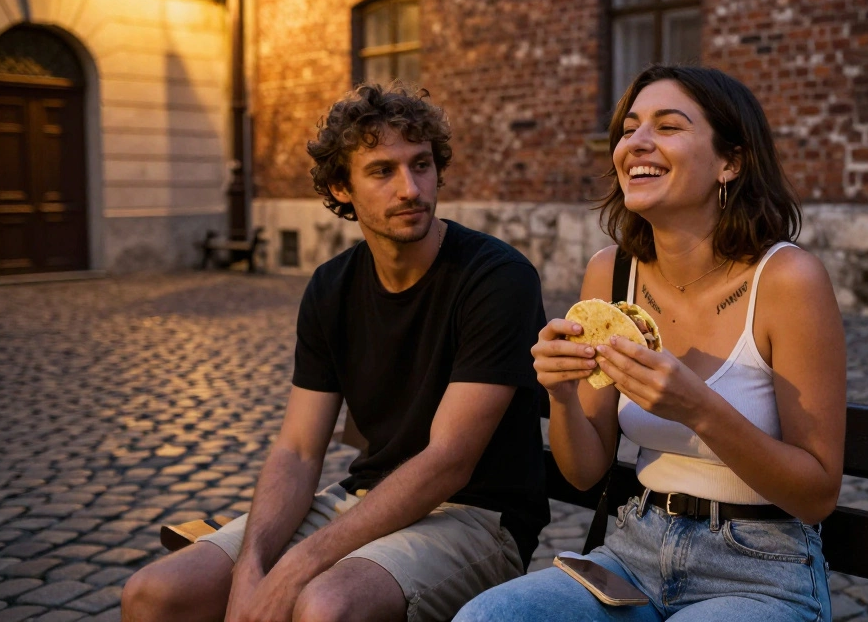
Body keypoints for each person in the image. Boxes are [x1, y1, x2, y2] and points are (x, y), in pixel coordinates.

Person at [122, 84, 549, 622]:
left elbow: (448, 463)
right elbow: (299, 450)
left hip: (476, 518)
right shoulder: (331, 287)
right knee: (153, 595)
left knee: (325, 606)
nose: (410, 188)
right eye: (382, 171)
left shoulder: (495, 277)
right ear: (339, 187)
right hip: (364, 498)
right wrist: (253, 565)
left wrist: (298, 566)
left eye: (421, 165)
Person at [455, 65, 847, 622]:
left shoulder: (788, 280)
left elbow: (816, 495)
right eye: (630, 127)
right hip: (632, 552)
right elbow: (586, 471)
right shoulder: (611, 275)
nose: (635, 142)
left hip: (760, 570)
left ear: (730, 162)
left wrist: (698, 409)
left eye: (668, 127)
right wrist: (561, 392)